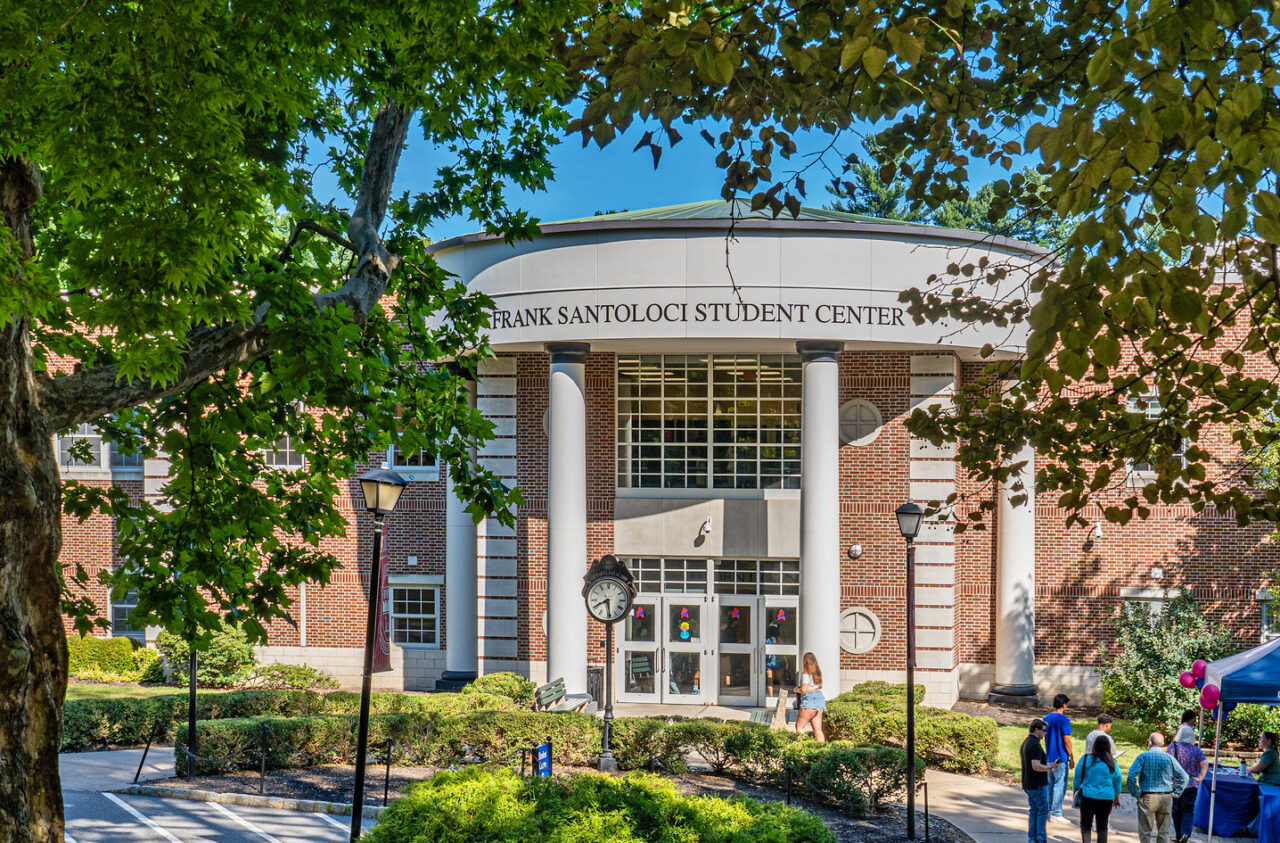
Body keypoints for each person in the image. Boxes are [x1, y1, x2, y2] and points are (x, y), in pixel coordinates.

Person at [1126, 732, 1189, 843]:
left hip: (1147, 796)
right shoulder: (1169, 758)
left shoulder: (1143, 757)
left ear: (1149, 742)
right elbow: (1184, 777)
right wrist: (1176, 793)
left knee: (1145, 831)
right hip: (1166, 797)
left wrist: (1135, 793)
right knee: (1164, 832)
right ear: (1163, 743)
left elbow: (1131, 776)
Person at [1073, 735, 1122, 843]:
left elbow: (1077, 774)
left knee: (1085, 824)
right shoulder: (1111, 762)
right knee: (1102, 826)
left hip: (1087, 796)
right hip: (1106, 797)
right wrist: (1117, 796)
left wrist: (1075, 788)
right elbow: (1117, 778)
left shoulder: (1086, 759)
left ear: (1094, 745)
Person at [1166, 724, 1207, 843]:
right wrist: (1200, 778)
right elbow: (1204, 764)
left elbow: (1167, 762)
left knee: (1175, 809)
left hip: (1176, 784)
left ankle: (1179, 835)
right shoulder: (1196, 750)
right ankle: (1186, 833)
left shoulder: (1173, 747)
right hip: (1191, 785)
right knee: (1188, 810)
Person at [1022, 719, 1061, 843]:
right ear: (1036, 730)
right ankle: (1040, 837)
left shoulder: (1027, 742)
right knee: (1043, 810)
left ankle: (1032, 838)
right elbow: (1036, 766)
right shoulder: (1035, 745)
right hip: (1037, 784)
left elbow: (1035, 763)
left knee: (1034, 810)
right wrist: (1051, 767)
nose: (1045, 734)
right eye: (1044, 731)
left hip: (1029, 783)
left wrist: (1049, 764)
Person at [1044, 693, 1074, 822]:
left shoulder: (1046, 718)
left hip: (1049, 756)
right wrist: (1071, 757)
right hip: (1060, 757)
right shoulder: (1064, 720)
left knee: (1050, 784)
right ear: (1064, 704)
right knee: (1059, 784)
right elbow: (1066, 740)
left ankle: (1049, 811)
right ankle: (1056, 812)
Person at [794, 651, 826, 743]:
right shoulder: (818, 672)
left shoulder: (806, 673)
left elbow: (803, 689)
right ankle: (822, 751)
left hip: (809, 702)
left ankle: (802, 749)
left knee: (799, 727)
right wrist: (812, 689)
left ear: (805, 661)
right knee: (818, 730)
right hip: (819, 701)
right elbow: (820, 686)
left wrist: (797, 690)